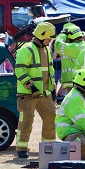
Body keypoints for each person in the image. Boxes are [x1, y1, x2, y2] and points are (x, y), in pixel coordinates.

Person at [15, 22, 57, 159]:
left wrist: (53, 88)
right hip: (27, 94)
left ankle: (48, 146)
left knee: (50, 118)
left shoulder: (47, 50)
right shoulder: (26, 49)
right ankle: (22, 148)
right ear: (41, 35)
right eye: (48, 38)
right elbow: (20, 69)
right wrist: (30, 85)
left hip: (45, 93)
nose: (50, 41)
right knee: (26, 120)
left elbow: (50, 71)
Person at [54, 22, 85, 98]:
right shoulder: (78, 45)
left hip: (76, 80)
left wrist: (62, 34)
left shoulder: (76, 46)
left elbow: (58, 45)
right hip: (71, 80)